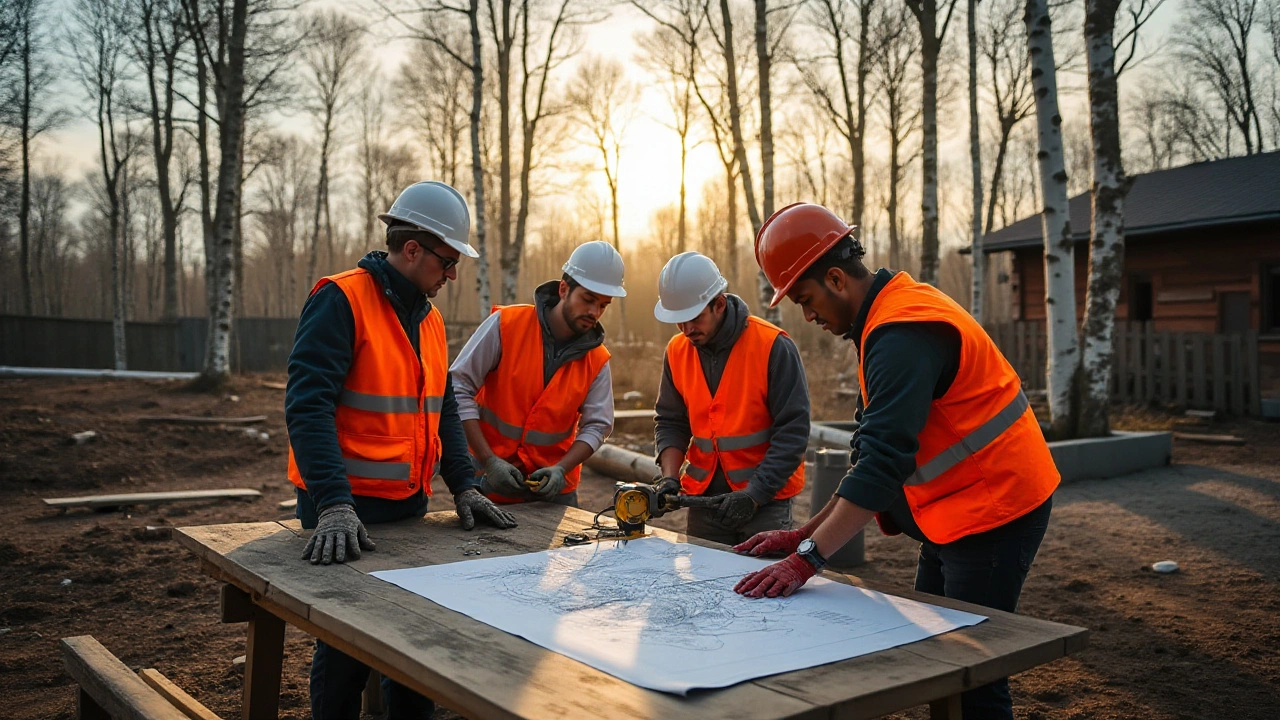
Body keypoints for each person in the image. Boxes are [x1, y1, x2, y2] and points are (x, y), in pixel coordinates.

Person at [733, 202, 1059, 720]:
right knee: (937, 661)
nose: (809, 315)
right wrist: (802, 535)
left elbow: (882, 466)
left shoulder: (900, 333)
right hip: (957, 511)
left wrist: (806, 560)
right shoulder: (887, 317)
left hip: (997, 509)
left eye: (806, 298)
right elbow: (871, 451)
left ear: (836, 278)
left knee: (974, 676)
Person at [285, 180, 518, 720]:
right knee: (344, 650)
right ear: (411, 249)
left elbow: (439, 409)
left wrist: (464, 484)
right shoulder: (340, 300)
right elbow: (308, 407)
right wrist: (333, 504)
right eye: (447, 260)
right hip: (342, 510)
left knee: (414, 644)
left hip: (407, 508)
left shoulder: (429, 319)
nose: (453, 273)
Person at [650, 251, 809, 545]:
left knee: (764, 584)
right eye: (679, 322)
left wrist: (755, 495)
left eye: (694, 318)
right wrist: (670, 478)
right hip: (703, 502)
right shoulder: (676, 351)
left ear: (719, 304)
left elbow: (793, 432)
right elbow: (671, 421)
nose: (687, 330)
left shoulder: (773, 346)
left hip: (766, 502)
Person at [450, 241, 625, 506]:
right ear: (564, 289)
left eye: (603, 305)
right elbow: (458, 387)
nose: (594, 312)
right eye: (588, 300)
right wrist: (489, 460)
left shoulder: (597, 360)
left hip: (554, 494)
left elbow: (598, 425)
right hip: (487, 483)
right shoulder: (506, 326)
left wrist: (561, 469)